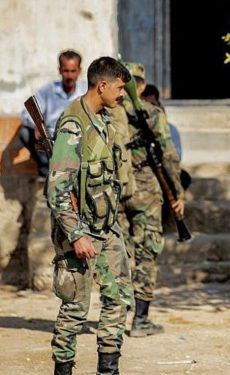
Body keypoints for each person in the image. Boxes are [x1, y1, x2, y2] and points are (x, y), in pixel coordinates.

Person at [47, 57, 133, 375]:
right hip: (79, 232)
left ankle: (108, 369)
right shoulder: (74, 124)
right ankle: (64, 369)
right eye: (120, 88)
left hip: (106, 228)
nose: (122, 94)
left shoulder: (103, 120)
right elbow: (57, 191)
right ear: (102, 85)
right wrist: (77, 234)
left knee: (119, 298)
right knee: (75, 306)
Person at [118, 62, 185, 338]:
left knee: (119, 255)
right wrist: (178, 192)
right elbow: (169, 157)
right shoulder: (153, 113)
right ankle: (140, 320)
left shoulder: (108, 114)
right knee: (147, 253)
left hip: (116, 190)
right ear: (142, 85)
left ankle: (114, 316)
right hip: (146, 191)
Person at [20, 50, 87, 177]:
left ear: (79, 70)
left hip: (77, 140)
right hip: (51, 139)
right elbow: (25, 114)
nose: (69, 76)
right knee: (25, 133)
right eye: (66, 71)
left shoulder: (85, 91)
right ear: (60, 70)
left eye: (73, 71)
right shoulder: (47, 90)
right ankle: (46, 172)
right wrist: (36, 125)